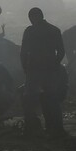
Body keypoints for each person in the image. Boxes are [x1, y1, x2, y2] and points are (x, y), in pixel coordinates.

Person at [20, 7, 66, 138]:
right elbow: (61, 52)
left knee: (29, 99)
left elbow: (23, 52)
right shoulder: (54, 30)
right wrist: (54, 64)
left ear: (32, 17)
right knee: (51, 99)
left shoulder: (30, 31)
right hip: (50, 70)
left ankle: (30, 128)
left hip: (33, 69)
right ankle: (55, 127)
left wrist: (25, 68)